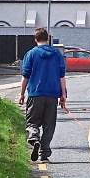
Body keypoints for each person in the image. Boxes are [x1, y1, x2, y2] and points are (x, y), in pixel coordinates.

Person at [18, 27, 68, 162]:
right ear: (48, 39)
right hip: (52, 95)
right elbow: (61, 77)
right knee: (49, 125)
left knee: (32, 122)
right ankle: (44, 154)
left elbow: (25, 76)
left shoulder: (31, 54)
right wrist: (63, 95)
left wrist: (22, 94)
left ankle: (34, 138)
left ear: (35, 39)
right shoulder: (57, 54)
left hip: (35, 94)